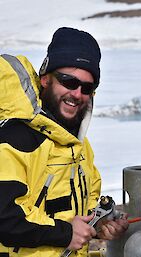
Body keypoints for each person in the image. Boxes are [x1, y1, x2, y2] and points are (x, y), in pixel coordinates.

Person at [0, 27, 128, 256]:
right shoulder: (15, 139)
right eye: (68, 82)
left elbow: (80, 208)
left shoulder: (78, 145)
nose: (77, 94)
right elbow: (4, 218)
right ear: (46, 79)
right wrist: (66, 234)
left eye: (87, 88)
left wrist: (97, 226)